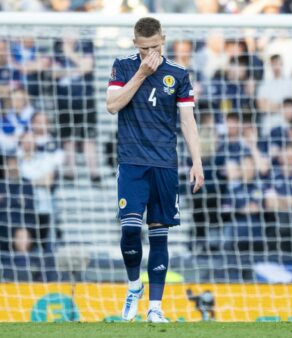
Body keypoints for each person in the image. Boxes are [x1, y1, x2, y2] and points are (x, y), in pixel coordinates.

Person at [106, 17, 204, 323]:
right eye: (145, 48)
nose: (151, 53)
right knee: (131, 228)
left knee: (160, 236)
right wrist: (140, 74)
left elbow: (188, 120)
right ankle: (134, 285)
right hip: (132, 161)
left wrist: (196, 161)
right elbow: (112, 105)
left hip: (164, 163)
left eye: (156, 47)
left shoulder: (178, 73)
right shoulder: (123, 66)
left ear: (164, 39)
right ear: (136, 44)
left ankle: (155, 307)